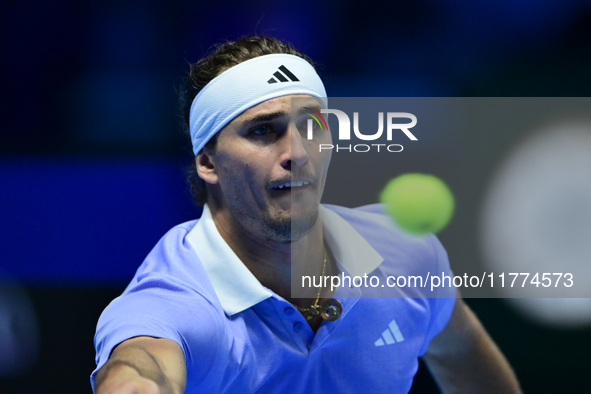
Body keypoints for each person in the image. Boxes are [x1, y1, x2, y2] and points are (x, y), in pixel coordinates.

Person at [91, 35, 521, 394]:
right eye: (263, 130)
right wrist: (132, 380)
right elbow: (143, 359)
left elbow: (461, 353)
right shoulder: (175, 304)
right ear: (208, 163)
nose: (297, 152)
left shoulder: (407, 253)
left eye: (312, 126)